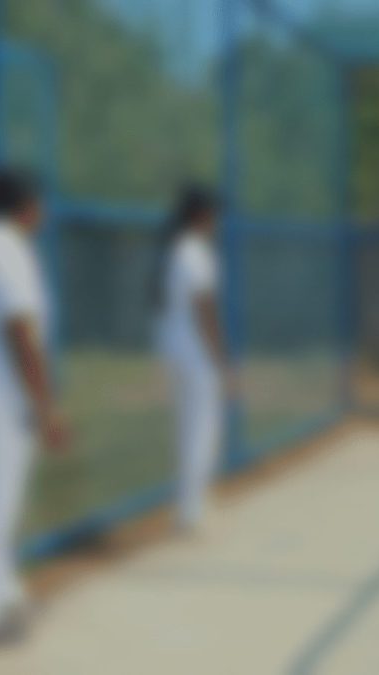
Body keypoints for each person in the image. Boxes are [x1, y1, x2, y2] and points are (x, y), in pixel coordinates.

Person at [0, 168, 68, 642]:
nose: (43, 211)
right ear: (26, 205)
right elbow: (20, 331)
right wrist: (47, 405)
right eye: (40, 201)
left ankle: (1, 592)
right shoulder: (2, 247)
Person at [154, 185, 231, 532]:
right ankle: (192, 509)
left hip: (176, 349)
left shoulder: (175, 249)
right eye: (214, 214)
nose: (217, 221)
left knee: (188, 429)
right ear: (202, 215)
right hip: (196, 353)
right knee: (202, 429)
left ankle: (189, 505)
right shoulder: (196, 251)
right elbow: (205, 309)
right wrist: (221, 358)